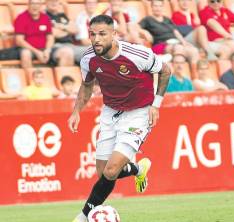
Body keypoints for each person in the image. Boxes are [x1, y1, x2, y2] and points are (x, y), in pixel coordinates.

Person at [69, 15, 171, 222]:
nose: (96, 39)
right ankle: (137, 168)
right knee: (103, 173)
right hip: (110, 111)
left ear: (114, 35)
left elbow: (165, 71)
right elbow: (87, 85)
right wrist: (76, 111)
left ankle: (83, 216)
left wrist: (156, 105)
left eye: (102, 34)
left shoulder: (137, 54)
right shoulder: (88, 59)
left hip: (138, 113)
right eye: (92, 34)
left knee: (112, 169)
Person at [14, 0, 71, 68]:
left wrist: (47, 50)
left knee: (67, 52)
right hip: (30, 49)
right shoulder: (21, 18)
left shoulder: (45, 18)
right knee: (25, 54)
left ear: (41, 6)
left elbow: (50, 38)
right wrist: (36, 52)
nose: (35, 6)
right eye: (33, 3)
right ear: (28, 5)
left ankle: (62, 77)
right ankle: (31, 77)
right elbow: (19, 41)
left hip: (45, 48)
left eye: (37, 4)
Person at [139, 0, 199, 65]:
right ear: (151, 7)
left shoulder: (167, 19)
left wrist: (184, 42)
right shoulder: (148, 19)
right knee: (178, 48)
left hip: (176, 42)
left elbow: (176, 32)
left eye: (160, 6)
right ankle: (177, 68)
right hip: (161, 44)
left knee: (194, 51)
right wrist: (144, 31)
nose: (158, 8)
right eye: (155, 6)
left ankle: (194, 73)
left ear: (163, 7)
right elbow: (136, 27)